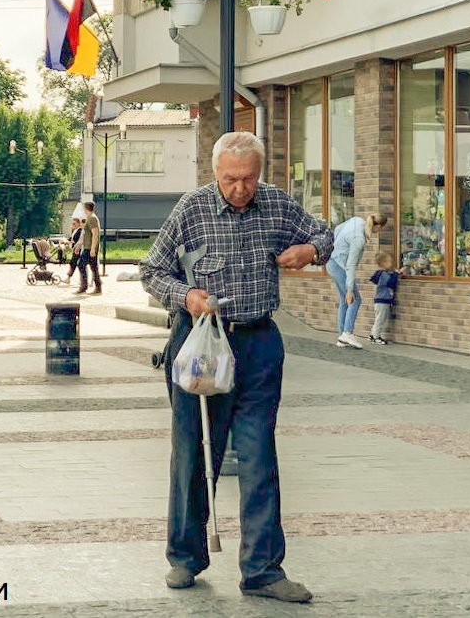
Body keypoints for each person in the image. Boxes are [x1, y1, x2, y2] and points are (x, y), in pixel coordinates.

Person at [141, 131, 333, 604]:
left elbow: (326, 233)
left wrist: (309, 252)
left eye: (248, 178)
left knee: (259, 456)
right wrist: (185, 296)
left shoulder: (277, 204)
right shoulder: (192, 209)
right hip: (202, 343)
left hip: (257, 343)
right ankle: (185, 557)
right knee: (191, 450)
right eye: (231, 179)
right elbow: (152, 270)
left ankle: (263, 570)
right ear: (215, 172)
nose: (240, 189)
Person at [326, 212, 389, 349]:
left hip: (331, 262)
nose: (379, 231)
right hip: (340, 267)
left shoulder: (357, 220)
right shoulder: (359, 239)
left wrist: (337, 247)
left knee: (344, 301)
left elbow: (337, 229)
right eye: (381, 229)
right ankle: (347, 333)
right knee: (354, 299)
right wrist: (350, 289)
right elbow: (350, 265)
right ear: (377, 226)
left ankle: (342, 336)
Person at [368, 250, 401, 345]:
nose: (391, 264)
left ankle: (372, 334)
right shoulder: (384, 275)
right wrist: (397, 274)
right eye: (389, 262)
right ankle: (376, 336)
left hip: (378, 300)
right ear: (384, 263)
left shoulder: (379, 274)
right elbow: (391, 283)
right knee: (380, 319)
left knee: (378, 318)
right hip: (383, 300)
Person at [77, 201, 102, 295]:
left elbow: (95, 234)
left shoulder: (92, 218)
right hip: (89, 246)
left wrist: (92, 248)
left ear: (86, 208)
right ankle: (98, 287)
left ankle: (84, 286)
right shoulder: (90, 218)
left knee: (80, 265)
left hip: (89, 247)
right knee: (93, 267)